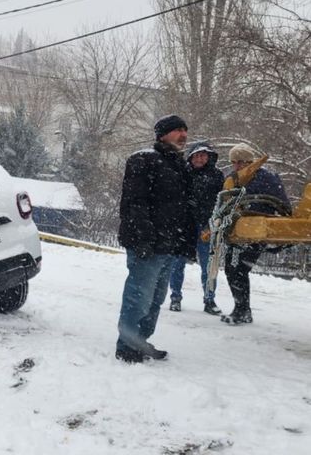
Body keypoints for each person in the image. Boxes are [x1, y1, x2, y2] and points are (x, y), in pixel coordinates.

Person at [115, 115, 196, 363]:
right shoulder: (144, 159)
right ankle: (127, 346)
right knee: (139, 296)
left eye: (185, 130)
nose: (183, 135)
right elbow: (134, 203)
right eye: (177, 130)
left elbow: (184, 208)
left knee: (156, 299)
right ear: (162, 134)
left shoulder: (180, 165)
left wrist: (185, 242)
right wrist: (143, 238)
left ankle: (141, 341)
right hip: (147, 244)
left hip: (169, 246)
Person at [220, 143, 291, 325]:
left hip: (256, 230)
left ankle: (242, 310)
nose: (237, 165)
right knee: (233, 268)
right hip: (238, 231)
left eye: (240, 161)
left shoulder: (266, 177)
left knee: (238, 269)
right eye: (234, 162)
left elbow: (280, 203)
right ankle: (242, 309)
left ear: (249, 161)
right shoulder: (234, 178)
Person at [167, 141, 225, 315]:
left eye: (203, 155)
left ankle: (209, 299)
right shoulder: (182, 173)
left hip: (206, 226)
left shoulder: (216, 176)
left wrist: (214, 218)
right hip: (184, 226)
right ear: (191, 157)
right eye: (197, 155)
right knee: (177, 264)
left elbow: (221, 200)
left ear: (209, 157)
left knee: (209, 265)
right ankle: (175, 297)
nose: (200, 158)